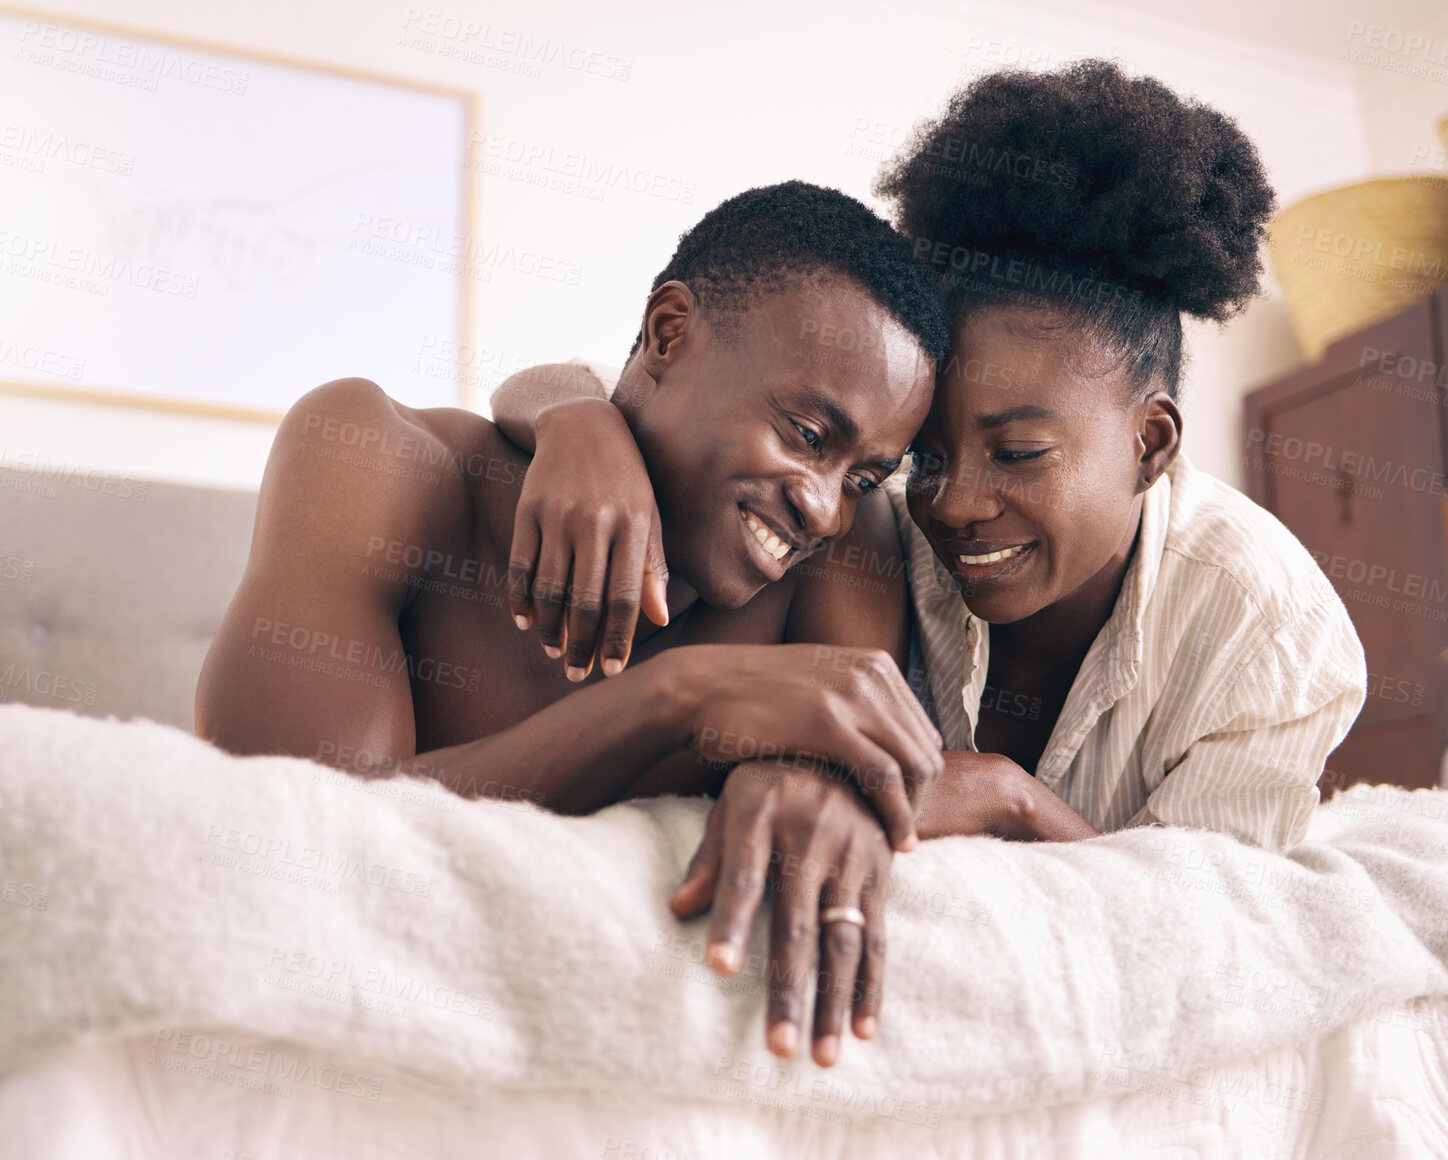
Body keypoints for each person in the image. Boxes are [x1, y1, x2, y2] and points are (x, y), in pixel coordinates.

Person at [502, 62, 1366, 861]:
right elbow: (639, 391)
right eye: (926, 456)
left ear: (1151, 446)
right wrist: (578, 426)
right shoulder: (867, 522)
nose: (952, 505)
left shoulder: (1269, 631)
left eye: (1019, 452)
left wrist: (1005, 796)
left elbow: (1210, 936)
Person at [196, 181, 964, 1069]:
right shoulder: (377, 457)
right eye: (804, 433)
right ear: (669, 334)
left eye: (865, 475)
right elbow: (289, 836)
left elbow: (871, 776)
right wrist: (673, 699)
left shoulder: (841, 557)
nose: (824, 506)